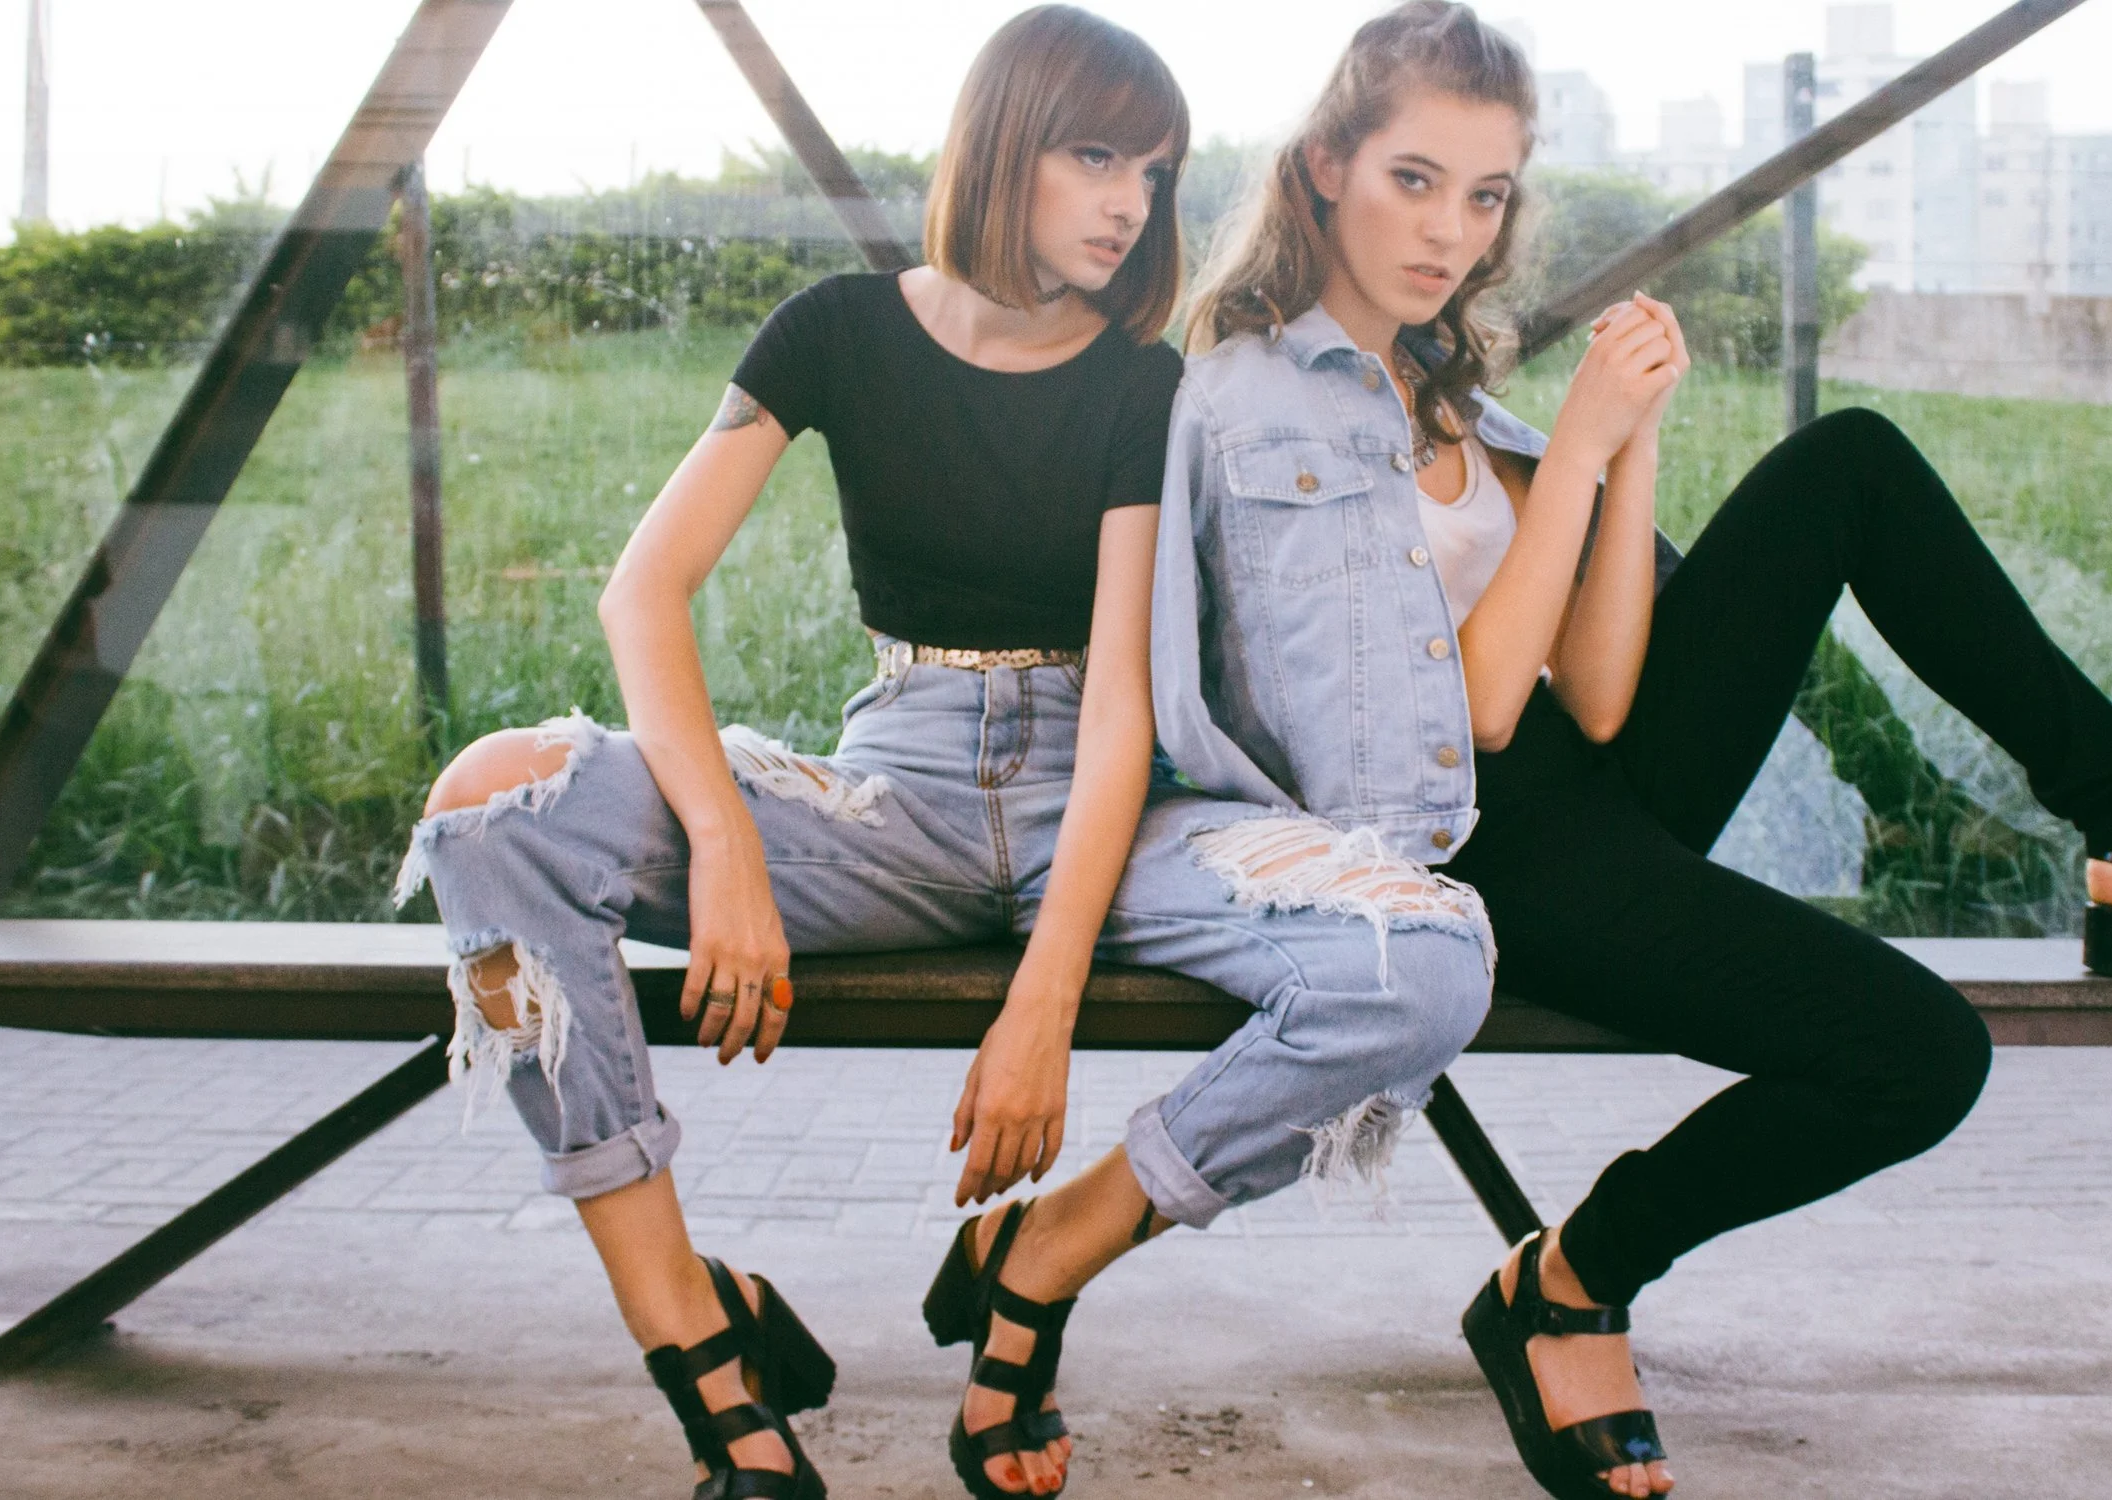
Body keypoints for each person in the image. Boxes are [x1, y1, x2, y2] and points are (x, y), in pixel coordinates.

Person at [1151, 5, 2112, 1496]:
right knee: (1920, 1056)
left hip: (1576, 783)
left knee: (1846, 466)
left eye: (1484, 196)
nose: (1451, 233)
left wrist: (1635, 442)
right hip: (1460, 848)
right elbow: (1468, 717)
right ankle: (1575, 1276)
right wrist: (1585, 456)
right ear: (1327, 165)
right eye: (1414, 180)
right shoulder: (1251, 395)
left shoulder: (1448, 391)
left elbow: (1596, 699)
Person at [392, 9, 1495, 1499]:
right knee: (491, 805)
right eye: (1094, 154)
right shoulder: (836, 333)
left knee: (1421, 962)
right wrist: (723, 843)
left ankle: (1042, 1259)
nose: (1127, 202)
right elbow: (641, 590)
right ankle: (700, 1351)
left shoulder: (1136, 385)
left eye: (1154, 174)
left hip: (1106, 809)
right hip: (888, 794)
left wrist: (1041, 1014)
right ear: (1002, 142)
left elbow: (1120, 705)